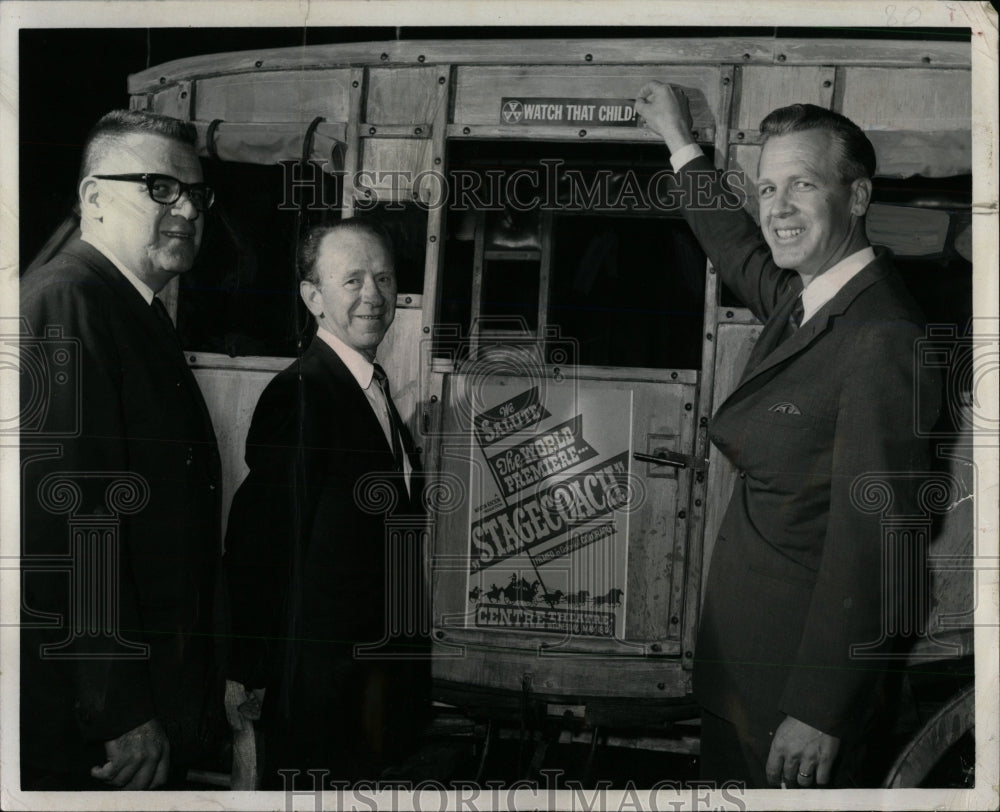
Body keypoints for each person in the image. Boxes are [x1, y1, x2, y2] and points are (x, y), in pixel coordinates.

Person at [635, 84, 941, 788]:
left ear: (858, 197)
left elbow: (878, 542)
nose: (776, 207)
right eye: (767, 187)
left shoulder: (882, 337)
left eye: (801, 184)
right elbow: (739, 246)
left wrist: (821, 709)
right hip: (746, 674)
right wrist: (681, 143)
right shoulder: (811, 301)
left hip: (794, 703)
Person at [19, 110, 223, 790]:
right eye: (159, 188)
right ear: (94, 199)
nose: (187, 209)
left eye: (196, 193)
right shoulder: (67, 303)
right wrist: (120, 706)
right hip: (96, 730)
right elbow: (68, 525)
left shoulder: (130, 308)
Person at [222, 219, 430, 789]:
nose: (373, 295)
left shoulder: (371, 386)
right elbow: (259, 545)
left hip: (370, 682)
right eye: (352, 280)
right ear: (313, 297)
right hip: (319, 688)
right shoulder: (301, 393)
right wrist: (249, 673)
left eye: (384, 278)